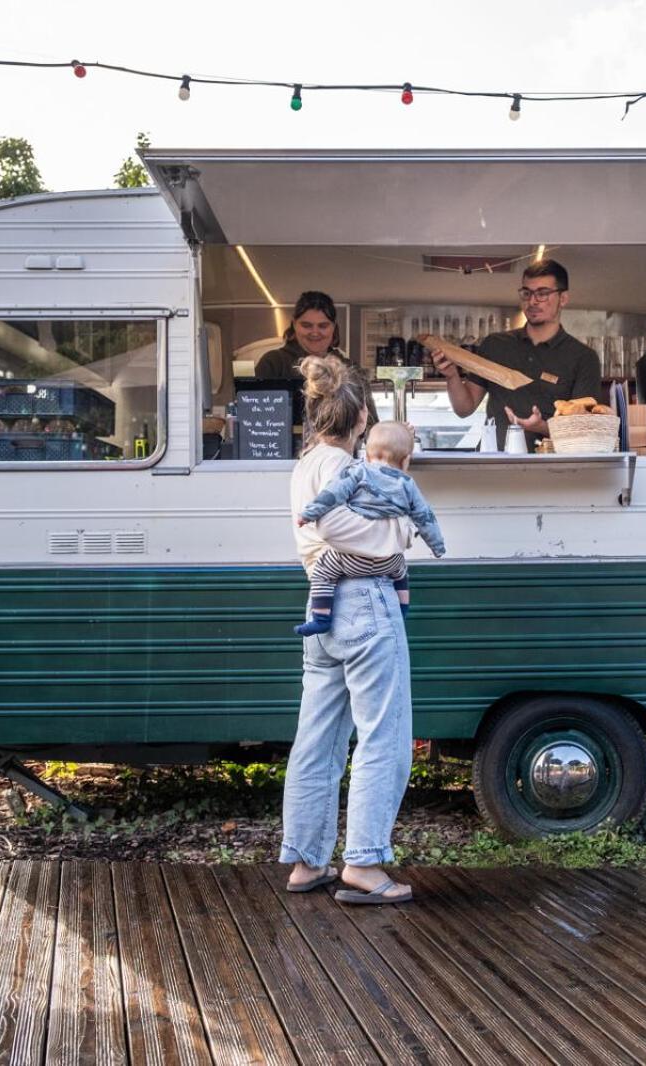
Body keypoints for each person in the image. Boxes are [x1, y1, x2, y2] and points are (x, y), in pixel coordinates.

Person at [280, 355, 415, 905]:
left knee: (319, 737)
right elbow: (332, 520)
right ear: (360, 416)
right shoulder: (345, 469)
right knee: (384, 736)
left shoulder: (305, 463)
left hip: (322, 603)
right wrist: (396, 533)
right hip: (363, 604)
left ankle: (308, 861)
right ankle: (363, 863)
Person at [426, 258, 604, 450]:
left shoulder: (583, 357)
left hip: (549, 469)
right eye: (526, 293)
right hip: (492, 465)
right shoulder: (495, 345)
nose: (533, 301)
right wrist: (452, 375)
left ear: (563, 299)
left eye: (542, 293)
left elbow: (583, 431)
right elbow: (464, 408)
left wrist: (541, 426)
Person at [294, 420, 446, 636]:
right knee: (402, 571)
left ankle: (321, 617)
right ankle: (402, 610)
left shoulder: (358, 471)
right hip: (388, 561)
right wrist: (437, 547)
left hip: (350, 561)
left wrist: (308, 514)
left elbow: (331, 495)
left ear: (366, 455)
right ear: (405, 461)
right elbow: (425, 517)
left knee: (323, 570)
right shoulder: (408, 484)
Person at [254, 290, 380, 434]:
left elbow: (370, 425)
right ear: (294, 325)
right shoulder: (273, 363)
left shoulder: (350, 369)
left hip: (341, 454)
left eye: (323, 326)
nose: (315, 332)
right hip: (282, 452)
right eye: (306, 325)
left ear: (333, 327)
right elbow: (254, 419)